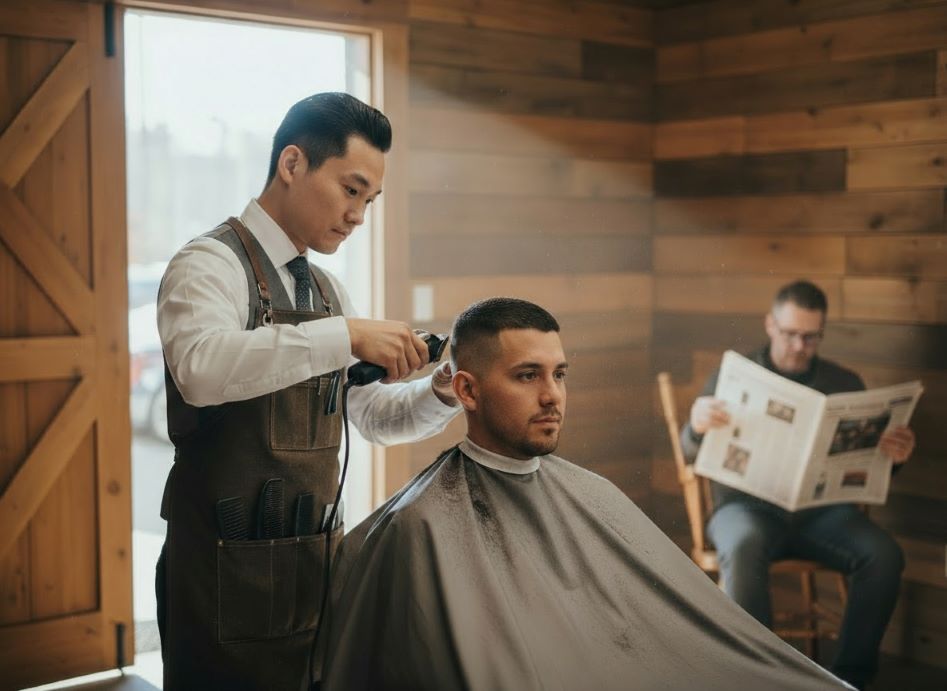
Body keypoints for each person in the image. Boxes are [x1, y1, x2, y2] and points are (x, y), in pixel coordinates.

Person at [321, 297, 850, 691]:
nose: (552, 396)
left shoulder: (590, 495)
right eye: (527, 375)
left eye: (559, 374)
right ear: (466, 391)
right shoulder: (420, 525)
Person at [155, 92, 461, 690]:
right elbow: (201, 368)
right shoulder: (207, 264)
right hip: (221, 579)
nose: (358, 216)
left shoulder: (324, 290)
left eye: (369, 202)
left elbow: (370, 416)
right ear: (292, 164)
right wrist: (343, 335)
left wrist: (440, 394)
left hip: (313, 574)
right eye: (351, 191)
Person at [680, 280, 915, 691]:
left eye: (810, 337)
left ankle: (848, 681)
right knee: (741, 543)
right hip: (744, 508)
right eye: (790, 334)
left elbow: (867, 474)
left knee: (884, 555)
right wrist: (696, 427)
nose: (798, 345)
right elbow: (688, 453)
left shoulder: (844, 383)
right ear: (770, 325)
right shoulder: (735, 377)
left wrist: (893, 458)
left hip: (821, 514)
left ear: (822, 333)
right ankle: (762, 679)